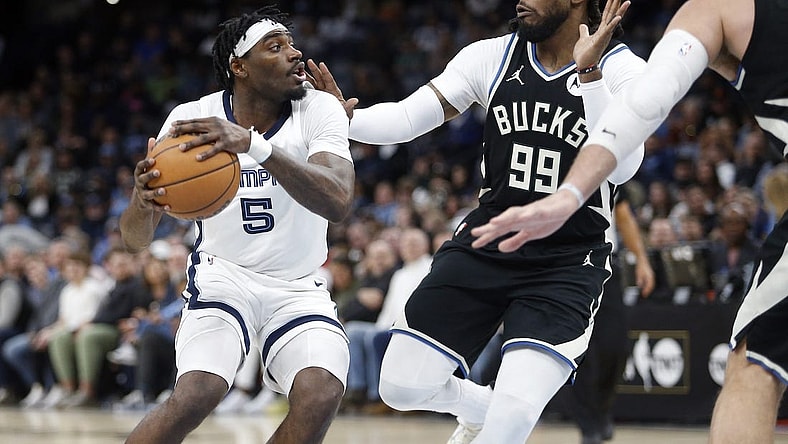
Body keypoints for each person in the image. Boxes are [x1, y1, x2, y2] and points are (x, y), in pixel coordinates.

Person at [308, 0, 646, 441]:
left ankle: (501, 413)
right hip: (488, 240)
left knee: (511, 424)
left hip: (566, 260)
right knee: (399, 386)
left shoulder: (625, 71)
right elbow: (410, 118)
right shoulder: (492, 56)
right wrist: (346, 119)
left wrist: (590, 77)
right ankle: (481, 405)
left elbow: (621, 167)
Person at [469, 1, 788, 442]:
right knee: (566, 354)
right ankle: (586, 425)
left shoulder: (719, 13)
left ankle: (587, 421)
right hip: (558, 253)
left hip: (592, 250)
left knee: (753, 368)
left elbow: (642, 107)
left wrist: (571, 194)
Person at [119, 5, 355, 444]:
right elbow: (134, 239)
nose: (295, 54)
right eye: (276, 47)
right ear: (239, 67)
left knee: (321, 393)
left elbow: (338, 200)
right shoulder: (191, 119)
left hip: (298, 285)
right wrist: (142, 198)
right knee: (197, 394)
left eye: (291, 43)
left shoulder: (320, 109)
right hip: (224, 276)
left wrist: (254, 146)